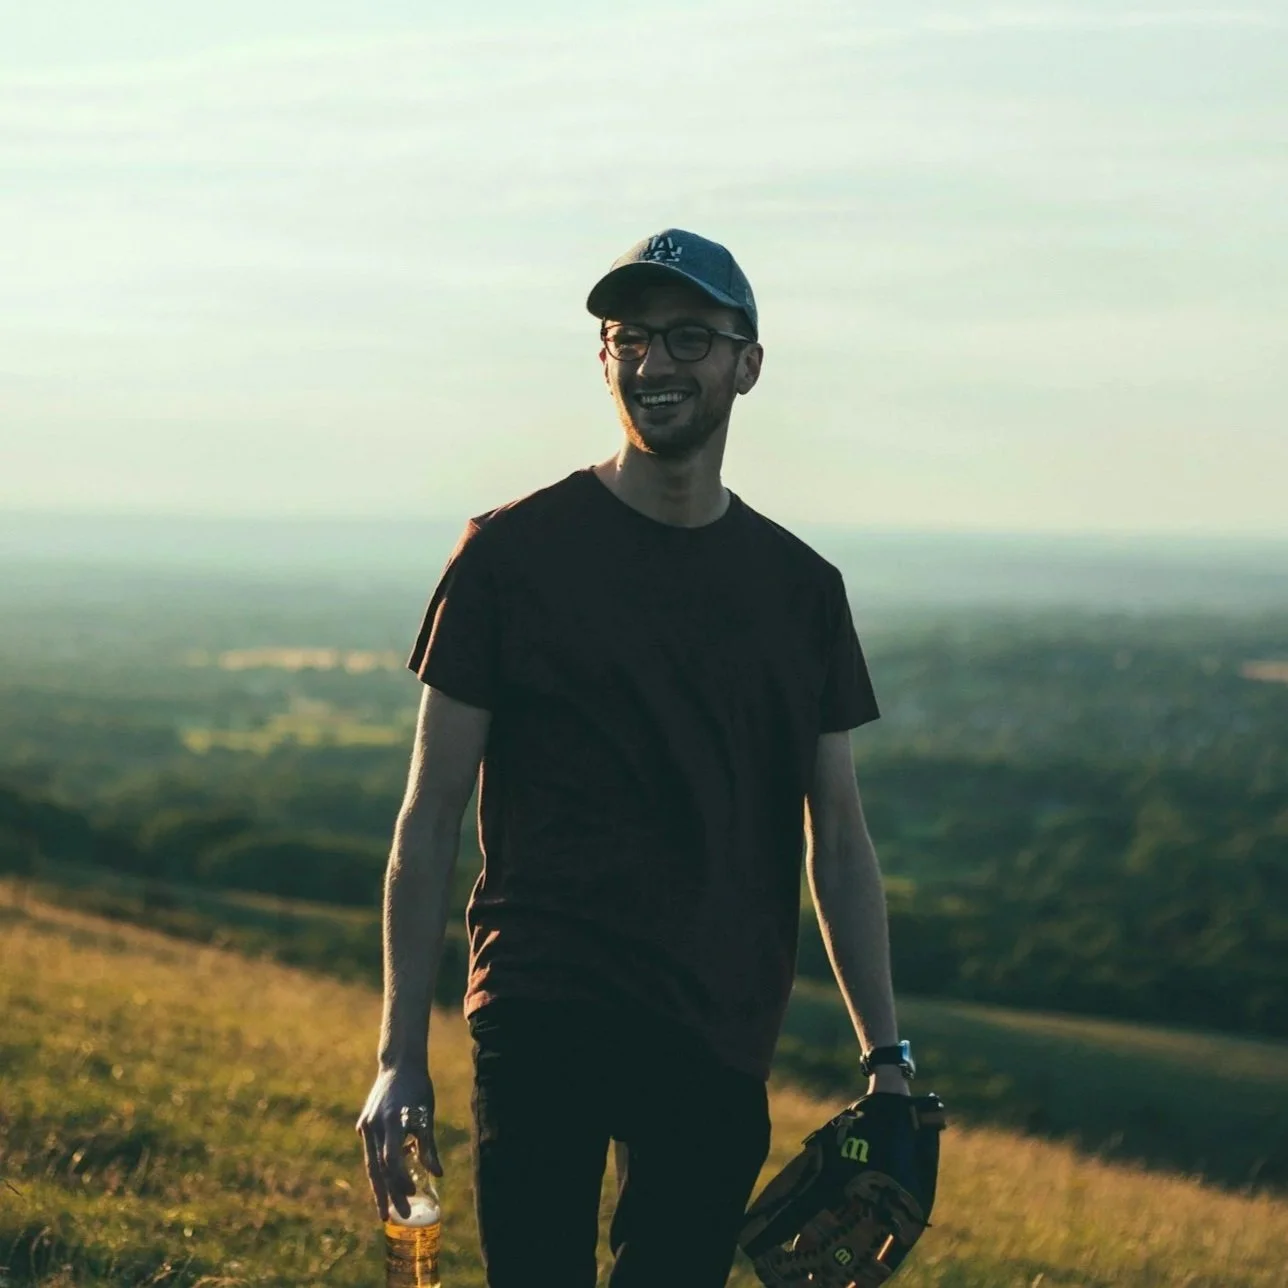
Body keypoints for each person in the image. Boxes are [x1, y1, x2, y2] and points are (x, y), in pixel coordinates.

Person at [357, 228, 913, 1287]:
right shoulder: (508, 557)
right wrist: (398, 1058)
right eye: (628, 338)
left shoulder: (800, 591)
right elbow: (427, 819)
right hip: (541, 1001)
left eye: (689, 338)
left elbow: (837, 839)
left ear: (747, 363)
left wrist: (886, 1059)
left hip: (716, 1024)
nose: (652, 364)